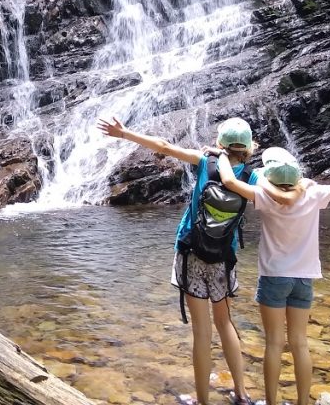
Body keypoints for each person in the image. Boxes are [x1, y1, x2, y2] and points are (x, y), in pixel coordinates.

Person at [98, 116, 286, 405]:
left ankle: (202, 401)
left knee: (202, 332)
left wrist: (123, 134)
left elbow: (163, 146)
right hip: (224, 257)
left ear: (220, 143)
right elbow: (281, 189)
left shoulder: (204, 162)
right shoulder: (251, 176)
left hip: (191, 252)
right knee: (225, 323)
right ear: (249, 148)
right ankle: (242, 394)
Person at [215, 147, 330, 405]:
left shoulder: (264, 196)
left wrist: (222, 155)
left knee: (273, 343)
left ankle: (271, 402)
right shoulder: (313, 193)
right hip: (304, 278)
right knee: (300, 343)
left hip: (274, 277)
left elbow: (230, 181)